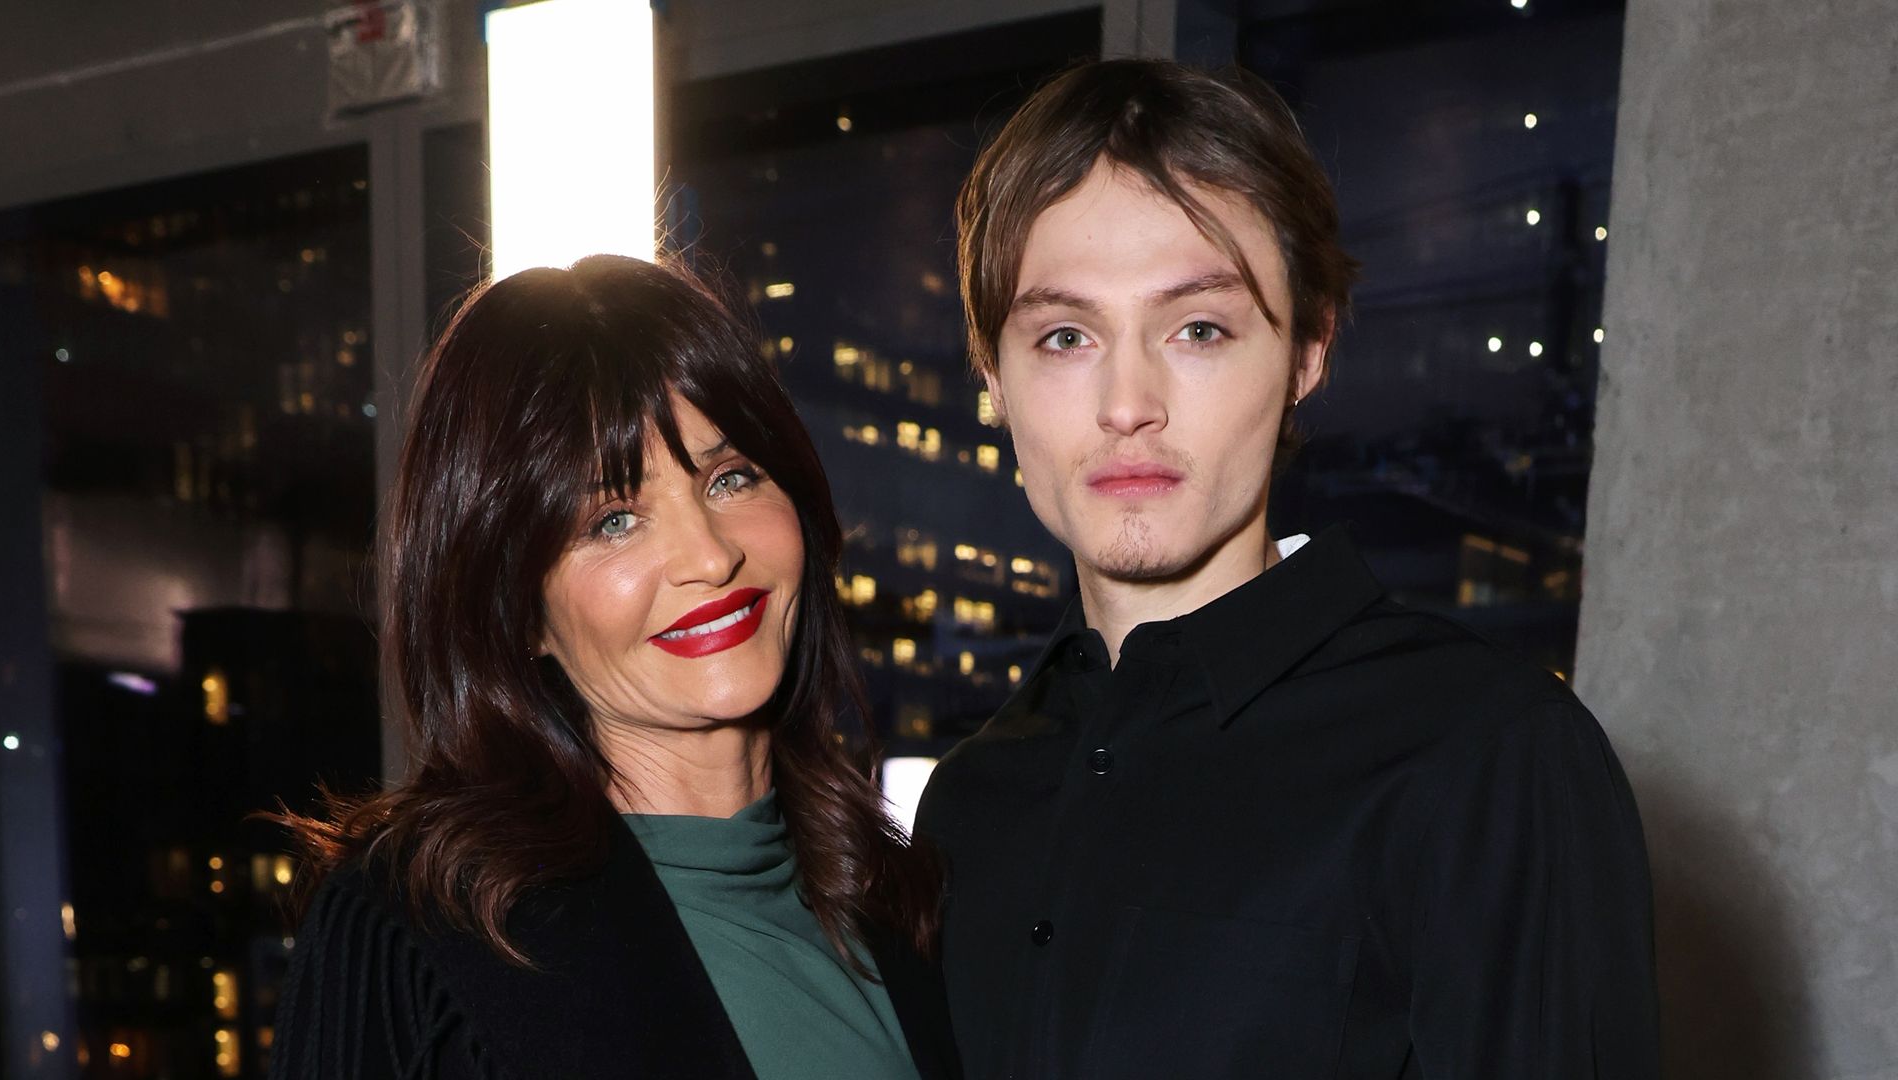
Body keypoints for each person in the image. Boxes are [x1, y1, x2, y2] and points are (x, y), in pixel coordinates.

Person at [914, 59, 1659, 1079]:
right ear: (994, 379)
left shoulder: (1485, 758)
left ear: (1308, 348)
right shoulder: (970, 800)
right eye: (1065, 335)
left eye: (1199, 328)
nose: (1128, 401)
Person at [271, 256, 957, 1080]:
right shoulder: (424, 942)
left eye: (732, 477)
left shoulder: (906, 900)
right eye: (614, 519)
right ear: (516, 604)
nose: (709, 555)